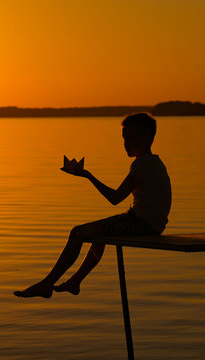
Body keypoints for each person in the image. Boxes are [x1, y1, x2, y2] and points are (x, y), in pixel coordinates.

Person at [14, 112, 171, 298]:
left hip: (142, 224)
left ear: (147, 138)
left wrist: (88, 176)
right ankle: (75, 281)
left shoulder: (142, 164)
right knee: (97, 234)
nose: (125, 144)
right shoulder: (154, 162)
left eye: (131, 138)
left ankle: (47, 284)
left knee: (78, 232)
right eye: (124, 139)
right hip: (149, 223)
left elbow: (115, 198)